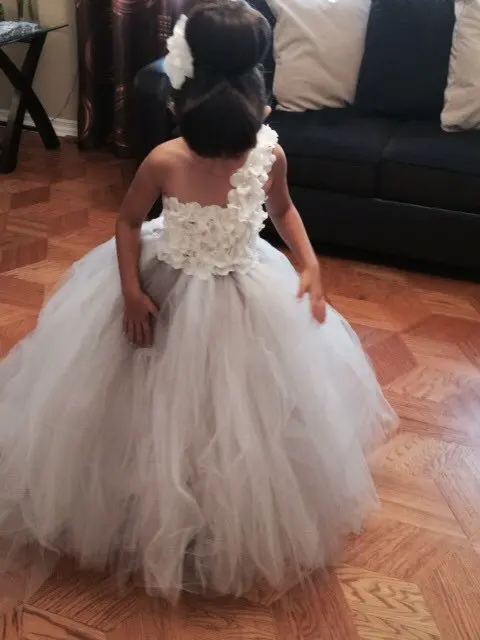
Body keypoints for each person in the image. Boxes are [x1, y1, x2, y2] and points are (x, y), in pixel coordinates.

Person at [0, 0, 396, 602]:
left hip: (246, 286)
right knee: (144, 405)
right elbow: (128, 221)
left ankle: (220, 511)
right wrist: (131, 291)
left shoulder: (269, 152)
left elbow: (283, 209)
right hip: (164, 284)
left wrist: (310, 262)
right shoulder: (166, 160)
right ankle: (142, 504)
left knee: (242, 410)